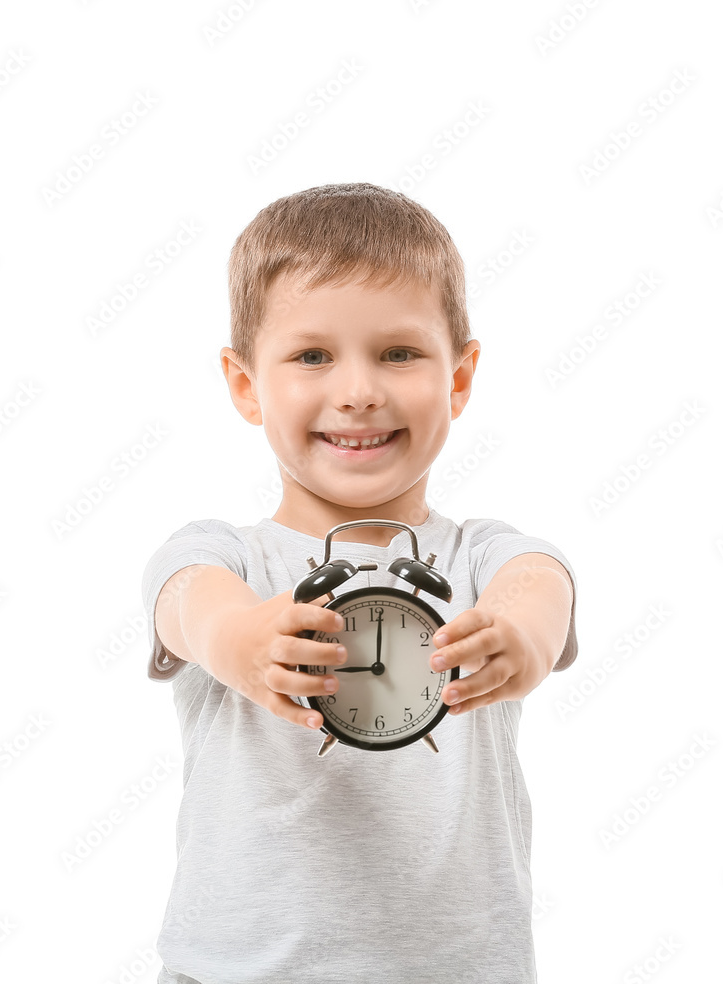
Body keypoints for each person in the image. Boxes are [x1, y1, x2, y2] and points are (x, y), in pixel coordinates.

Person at [141, 182, 579, 984]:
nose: (358, 390)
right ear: (245, 385)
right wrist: (237, 639)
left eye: (398, 353)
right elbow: (184, 601)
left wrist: (520, 636)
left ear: (459, 376)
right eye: (312, 356)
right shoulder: (230, 560)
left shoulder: (479, 557)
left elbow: (539, 581)